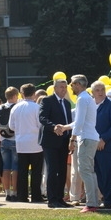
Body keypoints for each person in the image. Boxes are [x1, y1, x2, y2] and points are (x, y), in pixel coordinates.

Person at [56, 75, 100, 213]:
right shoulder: (88, 98)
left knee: (85, 171)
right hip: (90, 137)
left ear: (78, 84)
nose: (70, 86)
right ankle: (94, 201)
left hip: (86, 138)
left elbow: (80, 122)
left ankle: (92, 203)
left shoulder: (82, 99)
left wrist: (72, 139)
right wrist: (64, 127)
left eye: (72, 84)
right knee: (89, 171)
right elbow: (79, 122)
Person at [38, 79, 73, 208]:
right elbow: (42, 118)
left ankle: (60, 197)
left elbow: (69, 122)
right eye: (61, 87)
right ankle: (52, 199)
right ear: (55, 88)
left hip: (64, 141)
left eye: (65, 87)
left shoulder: (67, 104)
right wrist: (54, 127)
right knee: (53, 170)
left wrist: (70, 137)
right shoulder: (47, 100)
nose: (64, 90)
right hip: (50, 141)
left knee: (62, 170)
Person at [8, 84, 44, 203]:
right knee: (36, 172)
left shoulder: (15, 108)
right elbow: (40, 125)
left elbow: (11, 127)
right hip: (35, 144)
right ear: (34, 94)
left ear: (21, 94)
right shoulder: (37, 108)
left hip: (21, 143)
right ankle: (36, 196)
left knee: (22, 172)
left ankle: (22, 196)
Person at [91, 82, 111, 209]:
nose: (100, 92)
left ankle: (109, 200)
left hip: (107, 146)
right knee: (97, 173)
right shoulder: (90, 105)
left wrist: (104, 138)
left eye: (102, 89)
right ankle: (105, 197)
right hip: (92, 144)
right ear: (92, 92)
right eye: (97, 90)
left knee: (107, 174)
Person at [0, 87, 20, 202]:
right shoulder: (18, 108)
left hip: (3, 140)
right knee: (15, 168)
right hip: (16, 140)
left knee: (5, 168)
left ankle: (7, 193)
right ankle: (14, 192)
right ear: (15, 96)